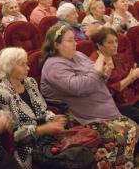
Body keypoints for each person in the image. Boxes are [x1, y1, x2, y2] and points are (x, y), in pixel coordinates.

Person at [40, 24, 138, 168]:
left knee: (132, 127)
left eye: (74, 39)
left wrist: (105, 73)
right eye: (69, 40)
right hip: (79, 114)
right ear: (56, 44)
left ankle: (120, 163)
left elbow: (95, 79)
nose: (75, 43)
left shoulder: (78, 55)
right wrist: (98, 72)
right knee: (123, 133)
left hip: (98, 105)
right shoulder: (53, 65)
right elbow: (79, 88)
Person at [0, 47, 67, 169]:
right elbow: (12, 136)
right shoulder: (0, 94)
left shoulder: (30, 82)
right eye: (22, 65)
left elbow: (42, 111)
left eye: (26, 63)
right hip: (28, 148)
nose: (27, 68)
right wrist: (42, 129)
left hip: (48, 139)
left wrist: (53, 118)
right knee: (72, 160)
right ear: (9, 67)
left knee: (81, 150)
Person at [90, 27, 139, 123]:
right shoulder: (95, 63)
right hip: (115, 105)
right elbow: (108, 91)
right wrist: (131, 77)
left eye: (116, 41)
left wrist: (134, 74)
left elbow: (127, 74)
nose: (115, 45)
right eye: (110, 42)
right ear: (99, 45)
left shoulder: (115, 57)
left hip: (130, 97)